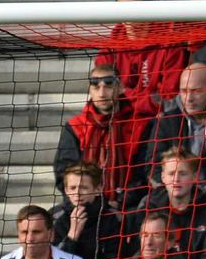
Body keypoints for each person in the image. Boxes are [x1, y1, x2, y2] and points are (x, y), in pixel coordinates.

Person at [53, 63, 152, 209]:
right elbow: (65, 174)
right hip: (84, 206)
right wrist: (94, 204)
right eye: (96, 86)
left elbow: (144, 174)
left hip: (129, 208)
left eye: (108, 85)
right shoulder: (75, 127)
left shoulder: (141, 125)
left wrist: (119, 203)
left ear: (120, 88)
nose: (102, 93)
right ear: (90, 90)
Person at [51, 162, 125, 259]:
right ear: (66, 190)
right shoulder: (56, 218)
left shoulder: (113, 218)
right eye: (72, 188)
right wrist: (72, 236)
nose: (77, 193)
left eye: (84, 188)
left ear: (98, 189)